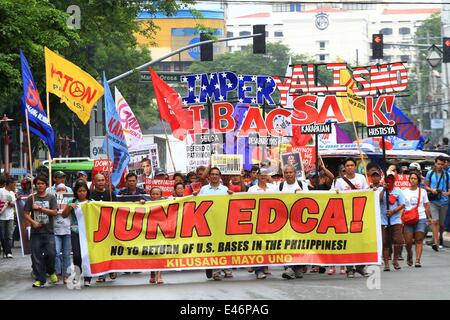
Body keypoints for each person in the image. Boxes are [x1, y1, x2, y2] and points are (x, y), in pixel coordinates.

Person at [332, 157, 369, 277]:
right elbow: (332, 195)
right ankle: (349, 269)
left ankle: (360, 267)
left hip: (359, 215)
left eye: (352, 165)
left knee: (360, 242)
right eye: (347, 166)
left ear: (355, 166)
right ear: (344, 168)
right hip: (345, 215)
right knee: (348, 243)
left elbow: (367, 194)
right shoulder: (339, 181)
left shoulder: (362, 178)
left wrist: (372, 191)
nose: (349, 167)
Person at [196, 167, 233, 281]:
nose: (214, 176)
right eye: (212, 174)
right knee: (213, 247)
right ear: (209, 176)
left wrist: (233, 195)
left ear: (219, 176)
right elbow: (197, 203)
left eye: (216, 174)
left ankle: (227, 269)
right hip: (209, 222)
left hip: (222, 221)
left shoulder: (225, 189)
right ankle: (216, 270)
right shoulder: (204, 190)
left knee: (225, 246)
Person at [23, 175, 58, 288]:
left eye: (42, 183)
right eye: (38, 183)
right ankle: (40, 279)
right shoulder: (31, 198)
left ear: (46, 185)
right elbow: (25, 214)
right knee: (36, 256)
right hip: (36, 232)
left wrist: (40, 208)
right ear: (35, 185)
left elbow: (54, 212)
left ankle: (51, 271)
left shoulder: (51, 198)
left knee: (51, 254)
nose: (40, 185)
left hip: (49, 231)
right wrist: (32, 222)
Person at [247, 167, 277, 279]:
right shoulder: (252, 190)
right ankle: (258, 270)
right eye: (262, 174)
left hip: (272, 220)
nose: (264, 176)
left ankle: (264, 266)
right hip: (257, 221)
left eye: (266, 174)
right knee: (257, 246)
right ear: (257, 176)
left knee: (268, 244)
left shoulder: (274, 188)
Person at [62, 180, 92, 287]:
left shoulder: (91, 202)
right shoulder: (72, 201)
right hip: (76, 232)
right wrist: (69, 207)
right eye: (80, 191)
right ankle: (77, 274)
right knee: (77, 256)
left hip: (88, 233)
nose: (82, 193)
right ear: (76, 192)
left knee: (87, 255)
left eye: (84, 190)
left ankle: (88, 277)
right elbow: (64, 215)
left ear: (87, 191)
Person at [280, 165, 305, 280]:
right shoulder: (280, 186)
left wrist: (301, 193)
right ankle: (289, 268)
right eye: (286, 172)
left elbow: (311, 199)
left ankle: (297, 268)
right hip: (285, 221)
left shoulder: (302, 185)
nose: (289, 174)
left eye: (291, 172)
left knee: (299, 245)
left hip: (300, 221)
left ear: (295, 173)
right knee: (288, 245)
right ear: (284, 174)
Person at [91, 174, 117, 283]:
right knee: (99, 251)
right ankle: (101, 274)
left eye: (103, 180)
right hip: (96, 227)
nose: (101, 182)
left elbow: (118, 208)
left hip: (109, 226)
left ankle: (112, 269)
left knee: (110, 250)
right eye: (99, 180)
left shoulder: (111, 194)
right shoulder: (90, 194)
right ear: (94, 182)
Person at [378, 171, 406, 271]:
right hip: (383, 220)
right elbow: (378, 200)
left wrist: (393, 211)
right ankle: (386, 264)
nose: (389, 181)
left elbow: (402, 204)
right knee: (385, 242)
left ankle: (395, 260)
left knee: (398, 240)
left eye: (391, 179)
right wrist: (384, 190)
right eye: (387, 179)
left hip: (395, 220)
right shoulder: (380, 189)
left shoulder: (398, 191)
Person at [403, 172, 431, 268]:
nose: (413, 180)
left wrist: (428, 217)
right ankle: (409, 254)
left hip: (421, 217)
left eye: (415, 178)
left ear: (418, 180)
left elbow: (426, 204)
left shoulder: (422, 191)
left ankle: (418, 260)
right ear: (409, 180)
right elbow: (402, 206)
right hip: (408, 218)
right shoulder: (404, 191)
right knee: (408, 241)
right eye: (411, 178)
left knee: (419, 239)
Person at [424, 155, 450, 251]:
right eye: (438, 164)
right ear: (435, 163)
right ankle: (436, 242)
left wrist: (445, 193)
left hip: (444, 202)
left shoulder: (447, 175)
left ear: (444, 165)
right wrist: (432, 190)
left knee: (442, 224)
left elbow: (449, 190)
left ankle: (441, 237)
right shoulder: (430, 173)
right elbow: (425, 186)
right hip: (433, 201)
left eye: (442, 164)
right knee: (435, 222)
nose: (440, 166)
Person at [53, 184, 72, 284]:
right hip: (55, 230)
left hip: (67, 230)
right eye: (59, 189)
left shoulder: (70, 201)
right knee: (55, 253)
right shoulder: (52, 199)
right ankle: (56, 274)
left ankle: (66, 276)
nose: (61, 191)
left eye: (63, 189)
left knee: (66, 254)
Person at [149, 187, 164, 284]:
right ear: (150, 195)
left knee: (160, 253)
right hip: (150, 232)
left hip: (161, 231)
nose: (155, 196)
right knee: (151, 253)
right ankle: (152, 273)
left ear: (161, 195)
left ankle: (159, 275)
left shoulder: (165, 203)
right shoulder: (146, 204)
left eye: (157, 194)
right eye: (153, 194)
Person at [0, 176, 17, 258]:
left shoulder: (12, 193)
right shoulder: (1, 191)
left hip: (10, 217)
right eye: (14, 184)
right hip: (1, 217)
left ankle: (8, 252)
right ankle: (4, 249)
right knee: (2, 235)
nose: (15, 186)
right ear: (10, 184)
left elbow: (14, 204)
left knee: (9, 235)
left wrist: (11, 203)